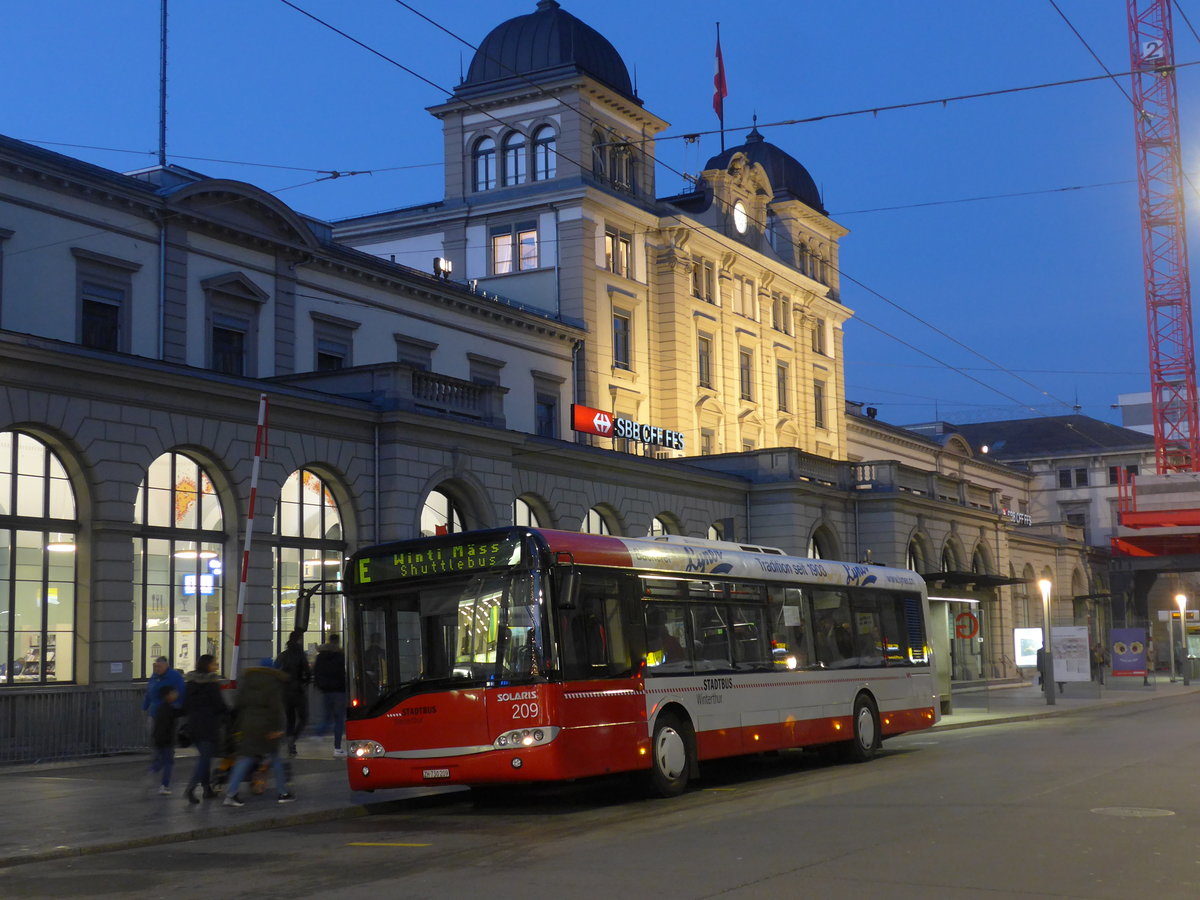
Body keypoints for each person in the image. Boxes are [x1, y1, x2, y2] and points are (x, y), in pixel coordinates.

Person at [222, 659, 294, 807]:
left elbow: (238, 703)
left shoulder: (247, 680)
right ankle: (283, 793)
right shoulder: (273, 682)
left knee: (246, 758)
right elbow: (276, 708)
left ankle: (231, 793)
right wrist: (278, 728)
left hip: (247, 725)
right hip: (266, 726)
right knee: (275, 758)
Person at [182, 653, 228, 804]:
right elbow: (219, 705)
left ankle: (207, 789)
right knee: (204, 760)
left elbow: (185, 705)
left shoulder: (190, 683)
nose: (216, 665)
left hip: (194, 726)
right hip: (208, 726)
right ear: (208, 665)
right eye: (214, 663)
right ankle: (191, 787)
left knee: (205, 759)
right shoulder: (212, 684)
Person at [274, 634, 311, 757]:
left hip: (285, 691)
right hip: (298, 690)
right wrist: (305, 681)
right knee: (304, 718)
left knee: (290, 719)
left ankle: (290, 742)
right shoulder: (300, 655)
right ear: (299, 640)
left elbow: (275, 671)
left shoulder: (282, 655)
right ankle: (292, 739)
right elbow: (308, 672)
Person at [313, 634, 347, 757]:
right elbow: (344, 672)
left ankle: (318, 733)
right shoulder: (341, 655)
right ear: (337, 642)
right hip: (339, 691)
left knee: (327, 716)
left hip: (326, 691)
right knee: (339, 719)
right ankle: (337, 748)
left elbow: (316, 672)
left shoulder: (320, 656)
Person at [149, 685, 181, 795]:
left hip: (159, 739)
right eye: (173, 693)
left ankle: (152, 771)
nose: (175, 695)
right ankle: (164, 785)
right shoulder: (169, 709)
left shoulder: (161, 708)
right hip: (167, 740)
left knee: (161, 760)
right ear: (167, 696)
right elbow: (166, 726)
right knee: (168, 762)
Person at [142, 656, 185, 726]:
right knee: (152, 733)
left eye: (160, 666)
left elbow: (181, 693)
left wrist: (177, 708)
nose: (157, 669)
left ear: (166, 666)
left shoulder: (175, 676)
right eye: (156, 666)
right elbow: (149, 692)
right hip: (154, 712)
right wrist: (145, 707)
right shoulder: (154, 676)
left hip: (169, 714)